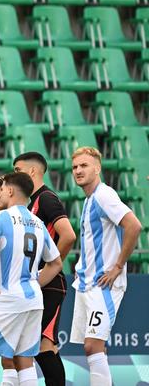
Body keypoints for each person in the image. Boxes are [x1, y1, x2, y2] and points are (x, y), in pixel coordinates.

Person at [0, 172, 64, 386]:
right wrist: (32, 284)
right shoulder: (38, 223)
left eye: (1, 189)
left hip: (7, 299)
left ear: (10, 190)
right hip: (33, 301)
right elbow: (56, 263)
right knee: (24, 362)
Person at [69, 147, 142, 386]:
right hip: (88, 283)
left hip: (105, 284)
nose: (78, 170)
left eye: (84, 165)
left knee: (93, 346)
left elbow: (134, 225)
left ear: (98, 168)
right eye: (75, 167)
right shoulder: (90, 199)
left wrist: (118, 266)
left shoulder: (104, 195)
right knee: (95, 347)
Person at [12, 152, 75, 386]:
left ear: (32, 172)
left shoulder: (47, 198)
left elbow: (68, 235)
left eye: (17, 170)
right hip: (44, 283)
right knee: (43, 346)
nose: (13, 175)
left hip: (50, 284)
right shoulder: (32, 202)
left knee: (35, 345)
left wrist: (51, 267)